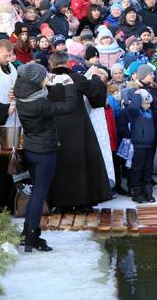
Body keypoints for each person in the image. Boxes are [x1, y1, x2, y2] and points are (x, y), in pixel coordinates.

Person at [14, 62, 77, 251]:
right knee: (39, 195)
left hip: (32, 150)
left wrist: (46, 80)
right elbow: (69, 106)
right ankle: (32, 238)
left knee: (36, 193)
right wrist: (69, 84)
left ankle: (27, 233)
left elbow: (40, 88)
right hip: (44, 153)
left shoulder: (22, 97)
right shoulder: (39, 104)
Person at [46, 52, 111, 213]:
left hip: (54, 127)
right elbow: (97, 96)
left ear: (51, 64)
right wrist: (96, 78)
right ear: (67, 63)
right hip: (78, 126)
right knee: (83, 162)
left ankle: (61, 203)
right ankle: (83, 202)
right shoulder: (77, 78)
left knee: (60, 164)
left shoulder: (46, 80)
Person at [123, 88, 157, 204]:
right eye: (145, 103)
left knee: (148, 169)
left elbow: (156, 105)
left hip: (149, 145)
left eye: (149, 103)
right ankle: (136, 193)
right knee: (137, 170)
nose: (148, 105)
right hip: (138, 145)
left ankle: (147, 193)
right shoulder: (134, 113)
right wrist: (138, 94)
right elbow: (133, 107)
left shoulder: (150, 112)